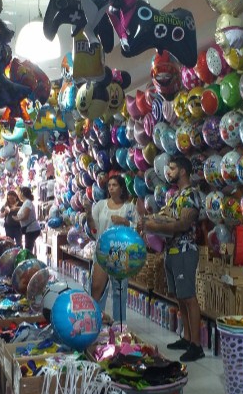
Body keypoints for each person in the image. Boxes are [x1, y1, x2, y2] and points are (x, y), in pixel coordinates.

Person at [141, 155, 204, 362]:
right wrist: (149, 220)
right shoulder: (176, 196)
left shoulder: (192, 194)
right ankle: (187, 338)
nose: (168, 172)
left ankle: (197, 345)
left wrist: (153, 226)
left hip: (185, 250)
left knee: (189, 297)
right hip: (172, 251)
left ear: (183, 171)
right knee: (180, 296)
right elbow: (165, 217)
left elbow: (182, 225)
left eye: (173, 168)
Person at [86, 175, 136, 323]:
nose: (111, 188)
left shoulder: (129, 208)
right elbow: (93, 227)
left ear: (121, 188)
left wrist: (125, 222)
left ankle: (119, 325)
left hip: (121, 253)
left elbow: (137, 229)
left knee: (119, 291)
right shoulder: (100, 205)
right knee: (96, 287)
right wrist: (88, 213)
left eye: (114, 185)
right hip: (102, 250)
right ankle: (95, 320)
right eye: (109, 185)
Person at [15, 186, 41, 253]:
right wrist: (16, 209)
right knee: (29, 247)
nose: (18, 194)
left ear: (22, 193)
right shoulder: (26, 203)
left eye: (19, 192)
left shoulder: (27, 202)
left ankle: (29, 259)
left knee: (28, 248)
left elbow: (26, 216)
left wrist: (17, 219)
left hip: (32, 229)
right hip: (30, 229)